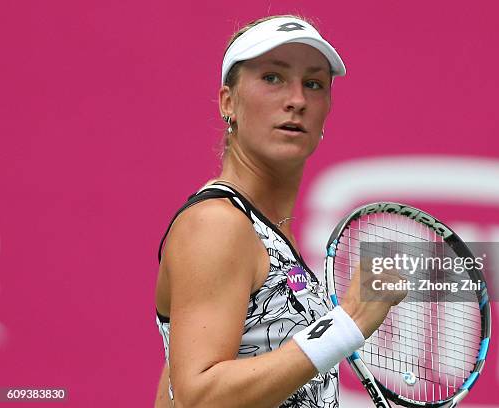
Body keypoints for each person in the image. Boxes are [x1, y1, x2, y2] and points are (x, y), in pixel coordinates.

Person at [154, 15, 402, 407]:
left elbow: (171, 393)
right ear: (228, 102)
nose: (297, 100)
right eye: (272, 77)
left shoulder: (264, 232)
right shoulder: (217, 223)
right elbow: (197, 398)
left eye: (314, 84)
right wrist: (346, 325)